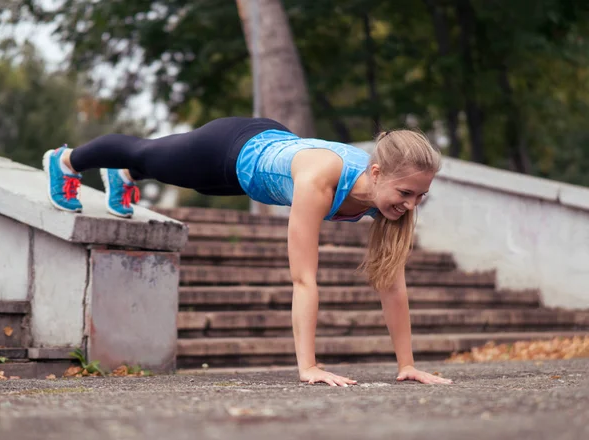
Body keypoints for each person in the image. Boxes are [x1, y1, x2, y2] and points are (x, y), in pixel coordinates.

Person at [42, 116, 453, 387]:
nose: (411, 205)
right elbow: (303, 278)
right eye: (405, 193)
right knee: (146, 152)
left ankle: (125, 175)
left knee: (191, 182)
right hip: (228, 148)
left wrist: (407, 365)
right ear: (377, 173)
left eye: (421, 196)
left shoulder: (390, 199)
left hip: (256, 164)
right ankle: (67, 161)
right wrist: (308, 367)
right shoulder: (319, 180)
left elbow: (392, 286)